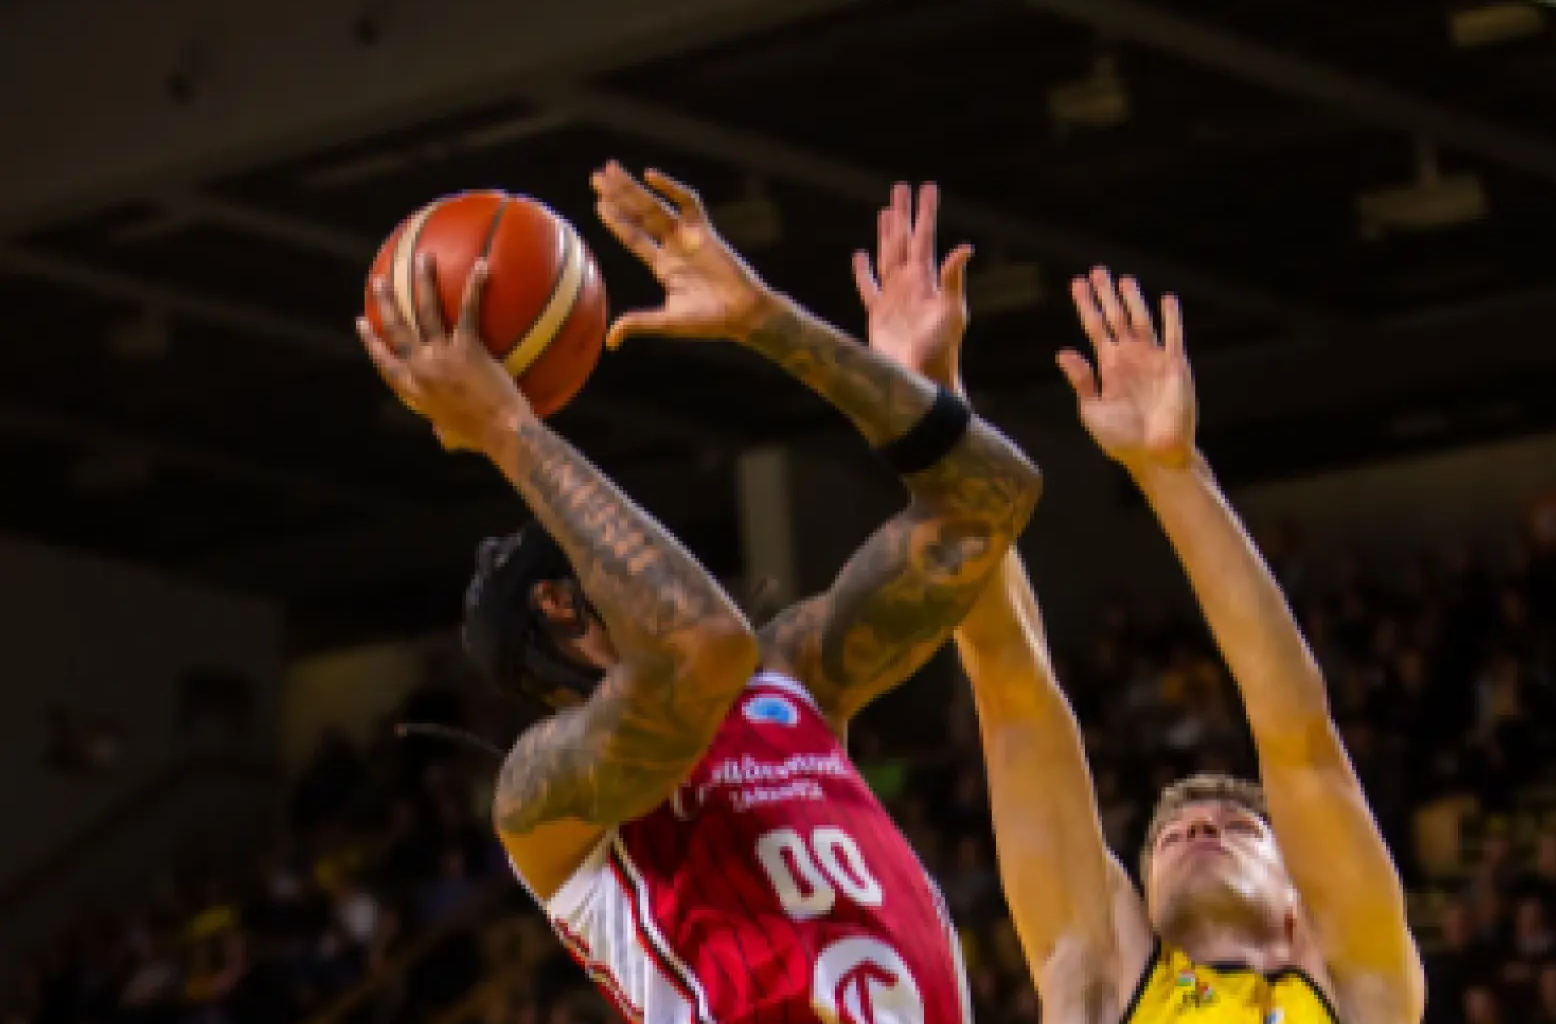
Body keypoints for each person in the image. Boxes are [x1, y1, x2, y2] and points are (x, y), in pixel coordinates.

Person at [357, 163, 1042, 1024]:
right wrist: (507, 429)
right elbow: (701, 646)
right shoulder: (543, 794)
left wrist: (768, 322)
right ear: (564, 604)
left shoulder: (790, 677)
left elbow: (993, 500)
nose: (663, 549)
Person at [855, 185, 1422, 1024]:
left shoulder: (1351, 982)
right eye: (1172, 834)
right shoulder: (1100, 970)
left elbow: (1294, 730)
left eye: (1234, 825)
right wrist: (932, 413)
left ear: (1301, 903)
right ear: (1140, 903)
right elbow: (1013, 692)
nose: (1198, 828)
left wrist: (1172, 473)